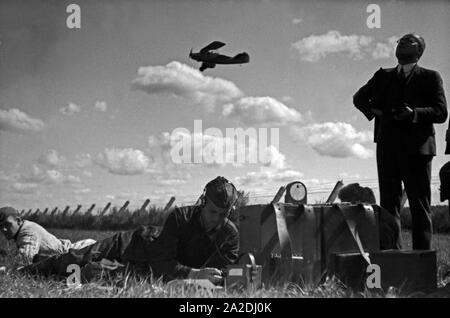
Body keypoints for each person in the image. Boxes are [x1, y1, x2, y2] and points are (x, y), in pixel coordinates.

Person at [22, 176, 240, 285]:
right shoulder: (180, 217)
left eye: (225, 213)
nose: (219, 219)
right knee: (82, 256)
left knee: (94, 273)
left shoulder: (230, 234)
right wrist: (194, 274)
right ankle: (27, 271)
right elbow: (163, 261)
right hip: (140, 243)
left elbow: (225, 272)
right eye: (214, 212)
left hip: (153, 269)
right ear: (203, 202)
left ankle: (45, 261)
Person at [353, 33, 448, 250]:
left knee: (420, 206)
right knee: (388, 206)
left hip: (418, 150)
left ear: (419, 51)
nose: (403, 44)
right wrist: (379, 113)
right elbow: (358, 98)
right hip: (388, 148)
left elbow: (441, 112)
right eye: (400, 42)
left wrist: (413, 113)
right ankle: (391, 258)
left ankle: (422, 260)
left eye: (409, 42)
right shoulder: (383, 76)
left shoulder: (431, 77)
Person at [0, 207, 96, 266]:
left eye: (8, 224)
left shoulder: (27, 232)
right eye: (1, 226)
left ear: (18, 221)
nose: (4, 229)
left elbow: (25, 260)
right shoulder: (23, 229)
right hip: (71, 253)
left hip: (78, 250)